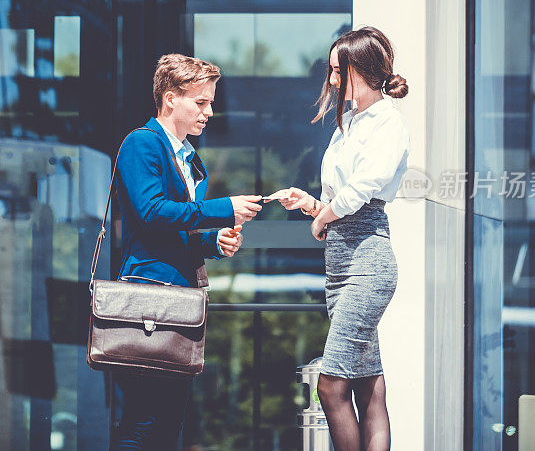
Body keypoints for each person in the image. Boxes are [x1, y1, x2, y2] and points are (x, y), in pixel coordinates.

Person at [266, 27, 409, 451]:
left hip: (368, 261)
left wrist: (323, 214)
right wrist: (312, 205)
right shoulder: (348, 124)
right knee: (368, 387)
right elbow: (337, 200)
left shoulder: (387, 121)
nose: (330, 80)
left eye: (336, 71)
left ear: (360, 69)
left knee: (330, 387)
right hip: (341, 261)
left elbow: (364, 189)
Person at [111, 54, 263, 450]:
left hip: (177, 302)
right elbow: (151, 212)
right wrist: (221, 209)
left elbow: (172, 232)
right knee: (144, 421)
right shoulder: (141, 144)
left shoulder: (188, 158)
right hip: (150, 302)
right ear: (170, 98)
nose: (209, 112)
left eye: (210, 102)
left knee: (166, 422)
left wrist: (213, 242)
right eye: (201, 102)